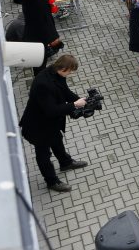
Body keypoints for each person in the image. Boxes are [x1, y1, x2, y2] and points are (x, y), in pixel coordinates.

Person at [19, 54, 89, 193]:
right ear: (63, 68)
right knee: (43, 155)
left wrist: (82, 102)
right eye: (69, 72)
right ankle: (52, 181)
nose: (69, 75)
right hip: (37, 127)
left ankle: (66, 163)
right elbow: (51, 110)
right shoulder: (42, 84)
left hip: (50, 123)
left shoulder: (55, 73)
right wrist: (74, 105)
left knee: (57, 140)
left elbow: (65, 91)